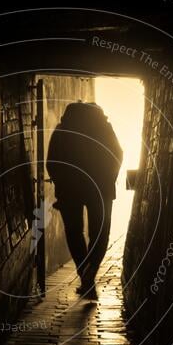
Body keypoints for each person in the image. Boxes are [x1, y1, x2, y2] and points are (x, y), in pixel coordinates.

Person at [46, 102, 123, 299]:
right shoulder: (105, 129)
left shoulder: (63, 130)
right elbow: (118, 154)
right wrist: (108, 181)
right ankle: (91, 271)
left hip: (70, 191)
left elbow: (52, 161)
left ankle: (84, 274)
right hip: (101, 190)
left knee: (74, 232)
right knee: (100, 233)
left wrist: (61, 185)